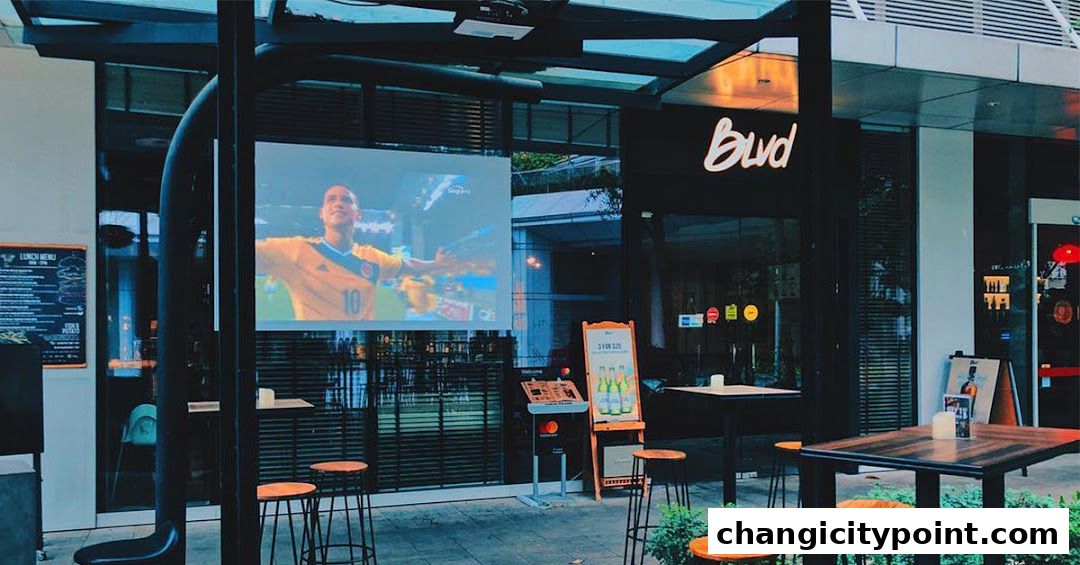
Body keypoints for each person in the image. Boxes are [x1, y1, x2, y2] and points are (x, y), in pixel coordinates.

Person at [255, 184, 457, 320]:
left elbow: (407, 265)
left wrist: (436, 264)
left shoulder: (372, 257)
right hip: (315, 348)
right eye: (331, 199)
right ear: (321, 214)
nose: (338, 203)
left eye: (346, 200)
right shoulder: (296, 250)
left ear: (357, 215)